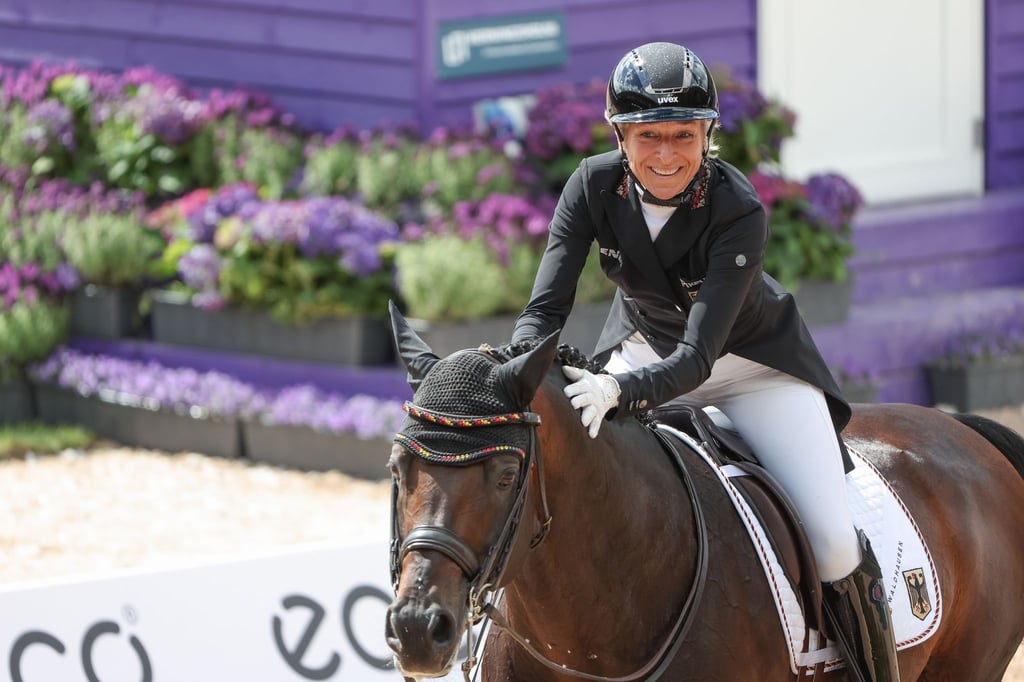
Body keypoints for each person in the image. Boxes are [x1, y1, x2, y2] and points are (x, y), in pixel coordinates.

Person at [510, 41, 900, 682]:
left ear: (707, 135)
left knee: (831, 543)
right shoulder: (591, 184)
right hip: (643, 348)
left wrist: (619, 391)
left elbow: (699, 358)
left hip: (750, 366)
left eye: (683, 136)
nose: (666, 155)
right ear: (620, 135)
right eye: (648, 136)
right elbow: (544, 311)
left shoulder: (737, 208)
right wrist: (516, 367)